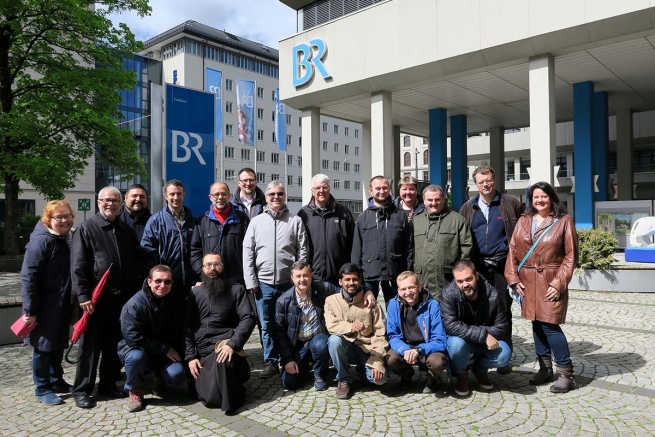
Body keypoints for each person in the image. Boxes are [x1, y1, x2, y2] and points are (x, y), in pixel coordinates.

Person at [70, 186, 141, 409]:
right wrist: (83, 295)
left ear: (121, 204)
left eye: (115, 201)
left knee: (113, 345)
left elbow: (133, 262)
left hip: (121, 298)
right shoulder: (86, 228)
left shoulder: (126, 229)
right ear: (98, 202)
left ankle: (108, 384)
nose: (110, 204)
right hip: (95, 298)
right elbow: (78, 265)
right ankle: (82, 389)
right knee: (90, 346)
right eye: (106, 200)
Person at [505, 181, 578, 394]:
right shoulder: (524, 220)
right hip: (527, 281)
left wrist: (559, 283)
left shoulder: (564, 221)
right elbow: (512, 251)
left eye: (544, 196)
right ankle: (545, 368)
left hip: (550, 280)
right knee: (536, 324)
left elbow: (570, 256)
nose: (539, 200)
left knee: (550, 325)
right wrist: (513, 279)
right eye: (536, 197)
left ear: (552, 198)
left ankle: (566, 374)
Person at [460, 164, 523, 373]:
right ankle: (478, 351)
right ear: (475, 184)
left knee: (503, 310)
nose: (485, 185)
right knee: (476, 310)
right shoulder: (468, 207)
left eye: (488, 180)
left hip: (503, 265)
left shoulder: (510, 203)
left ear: (494, 180)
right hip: (477, 268)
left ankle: (504, 354)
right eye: (481, 182)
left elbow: (523, 233)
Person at [243, 180, 308, 379]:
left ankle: (290, 357)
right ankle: (270, 361)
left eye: (280, 194)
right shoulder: (256, 221)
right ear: (266, 197)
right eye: (272, 194)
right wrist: (251, 281)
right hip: (263, 284)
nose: (276, 197)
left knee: (291, 322)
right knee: (267, 324)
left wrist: (298, 278)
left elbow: (302, 251)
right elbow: (248, 253)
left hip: (288, 284)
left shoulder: (295, 221)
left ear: (284, 196)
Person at [185, 253, 256, 412]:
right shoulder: (194, 294)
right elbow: (186, 326)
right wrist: (190, 357)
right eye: (208, 265)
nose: (212, 269)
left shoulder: (236, 290)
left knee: (224, 362)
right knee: (208, 398)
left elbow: (248, 318)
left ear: (223, 267)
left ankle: (231, 402)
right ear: (202, 269)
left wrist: (233, 344)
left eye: (216, 264)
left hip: (226, 347)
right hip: (203, 352)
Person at [21, 200, 75, 405]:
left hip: (60, 303)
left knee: (57, 344)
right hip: (43, 307)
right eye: (58, 217)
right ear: (48, 219)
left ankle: (56, 380)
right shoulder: (42, 241)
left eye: (67, 216)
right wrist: (30, 310)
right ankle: (42, 388)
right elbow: (29, 277)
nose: (64, 220)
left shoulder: (64, 238)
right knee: (43, 348)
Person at [118, 265, 186, 413]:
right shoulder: (134, 304)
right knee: (136, 358)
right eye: (158, 281)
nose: (162, 285)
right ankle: (135, 390)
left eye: (167, 282)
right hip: (139, 349)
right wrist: (163, 348)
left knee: (177, 374)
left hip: (163, 352)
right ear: (149, 282)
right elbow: (132, 337)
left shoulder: (177, 298)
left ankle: (159, 378)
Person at [440, 260, 511, 397]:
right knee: (455, 345)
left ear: (476, 276)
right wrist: (483, 334)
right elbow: (450, 325)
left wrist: (484, 337)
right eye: (459, 281)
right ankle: (462, 375)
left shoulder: (493, 294)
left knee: (504, 355)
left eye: (469, 279)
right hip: (462, 341)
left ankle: (479, 369)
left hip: (484, 343)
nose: (465, 285)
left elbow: (502, 326)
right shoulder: (448, 294)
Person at [325, 263, 388, 400]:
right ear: (340, 282)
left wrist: (378, 362)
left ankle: (363, 370)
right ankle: (344, 379)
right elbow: (331, 326)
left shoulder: (372, 303)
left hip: (366, 348)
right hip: (346, 347)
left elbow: (380, 333)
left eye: (354, 279)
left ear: (360, 281)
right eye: (347, 280)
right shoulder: (331, 301)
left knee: (380, 380)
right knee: (334, 341)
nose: (351, 283)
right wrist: (350, 327)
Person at [352, 175, 413, 303]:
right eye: (378, 188)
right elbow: (356, 250)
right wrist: (358, 277)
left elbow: (409, 247)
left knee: (397, 313)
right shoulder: (363, 218)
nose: (381, 191)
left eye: (385, 188)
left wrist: (407, 273)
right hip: (369, 277)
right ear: (370, 190)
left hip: (395, 275)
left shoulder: (399, 215)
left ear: (389, 189)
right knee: (368, 314)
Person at [385, 271, 447, 393]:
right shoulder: (393, 305)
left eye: (411, 287)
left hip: (426, 349)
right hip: (406, 347)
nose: (407, 293)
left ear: (419, 287)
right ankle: (406, 372)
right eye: (403, 289)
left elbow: (440, 340)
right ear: (398, 290)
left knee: (437, 362)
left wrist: (419, 350)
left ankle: (432, 376)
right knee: (390, 359)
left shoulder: (433, 305)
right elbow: (393, 335)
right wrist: (405, 350)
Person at [413, 185, 472, 299]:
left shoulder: (457, 220)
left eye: (437, 199)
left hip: (448, 281)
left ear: (443, 199)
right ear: (424, 201)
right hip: (422, 282)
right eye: (430, 200)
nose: (433, 203)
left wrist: (461, 275)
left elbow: (467, 249)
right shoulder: (416, 221)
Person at [141, 180, 197, 297]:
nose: (176, 197)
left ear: (184, 195)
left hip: (191, 282)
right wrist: (159, 278)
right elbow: (148, 251)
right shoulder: (155, 221)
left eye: (179, 194)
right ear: (166, 196)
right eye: (172, 194)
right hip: (166, 284)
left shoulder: (193, 220)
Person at [298, 174, 355, 287]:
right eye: (317, 188)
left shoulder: (343, 213)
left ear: (329, 189)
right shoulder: (304, 214)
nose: (321, 191)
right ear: (312, 191)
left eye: (324, 187)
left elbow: (352, 243)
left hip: (338, 277)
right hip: (313, 277)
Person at [190, 182, 249, 284]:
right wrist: (203, 273)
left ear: (229, 196)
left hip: (236, 281)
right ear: (210, 197)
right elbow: (195, 251)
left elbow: (250, 249)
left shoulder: (242, 218)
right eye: (216, 194)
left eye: (224, 194)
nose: (220, 197)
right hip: (210, 281)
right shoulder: (202, 221)